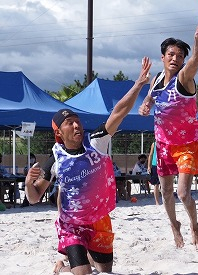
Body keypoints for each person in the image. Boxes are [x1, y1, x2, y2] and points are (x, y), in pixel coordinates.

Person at [24, 57, 152, 275]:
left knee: (104, 271)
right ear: (59, 133)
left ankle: (67, 264)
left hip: (100, 219)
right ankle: (70, 265)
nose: (76, 125)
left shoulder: (96, 143)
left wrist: (138, 84)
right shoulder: (56, 159)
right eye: (69, 123)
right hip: (72, 224)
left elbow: (119, 112)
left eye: (77, 121)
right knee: (84, 273)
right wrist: (28, 183)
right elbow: (34, 197)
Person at [138, 13, 198, 249]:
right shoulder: (156, 80)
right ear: (163, 57)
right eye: (171, 54)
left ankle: (194, 225)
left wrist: (197, 39)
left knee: (183, 193)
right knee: (166, 192)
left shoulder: (184, 79)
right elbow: (150, 97)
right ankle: (174, 225)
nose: (175, 58)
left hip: (186, 145)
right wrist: (146, 104)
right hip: (162, 145)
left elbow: (196, 59)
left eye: (180, 55)